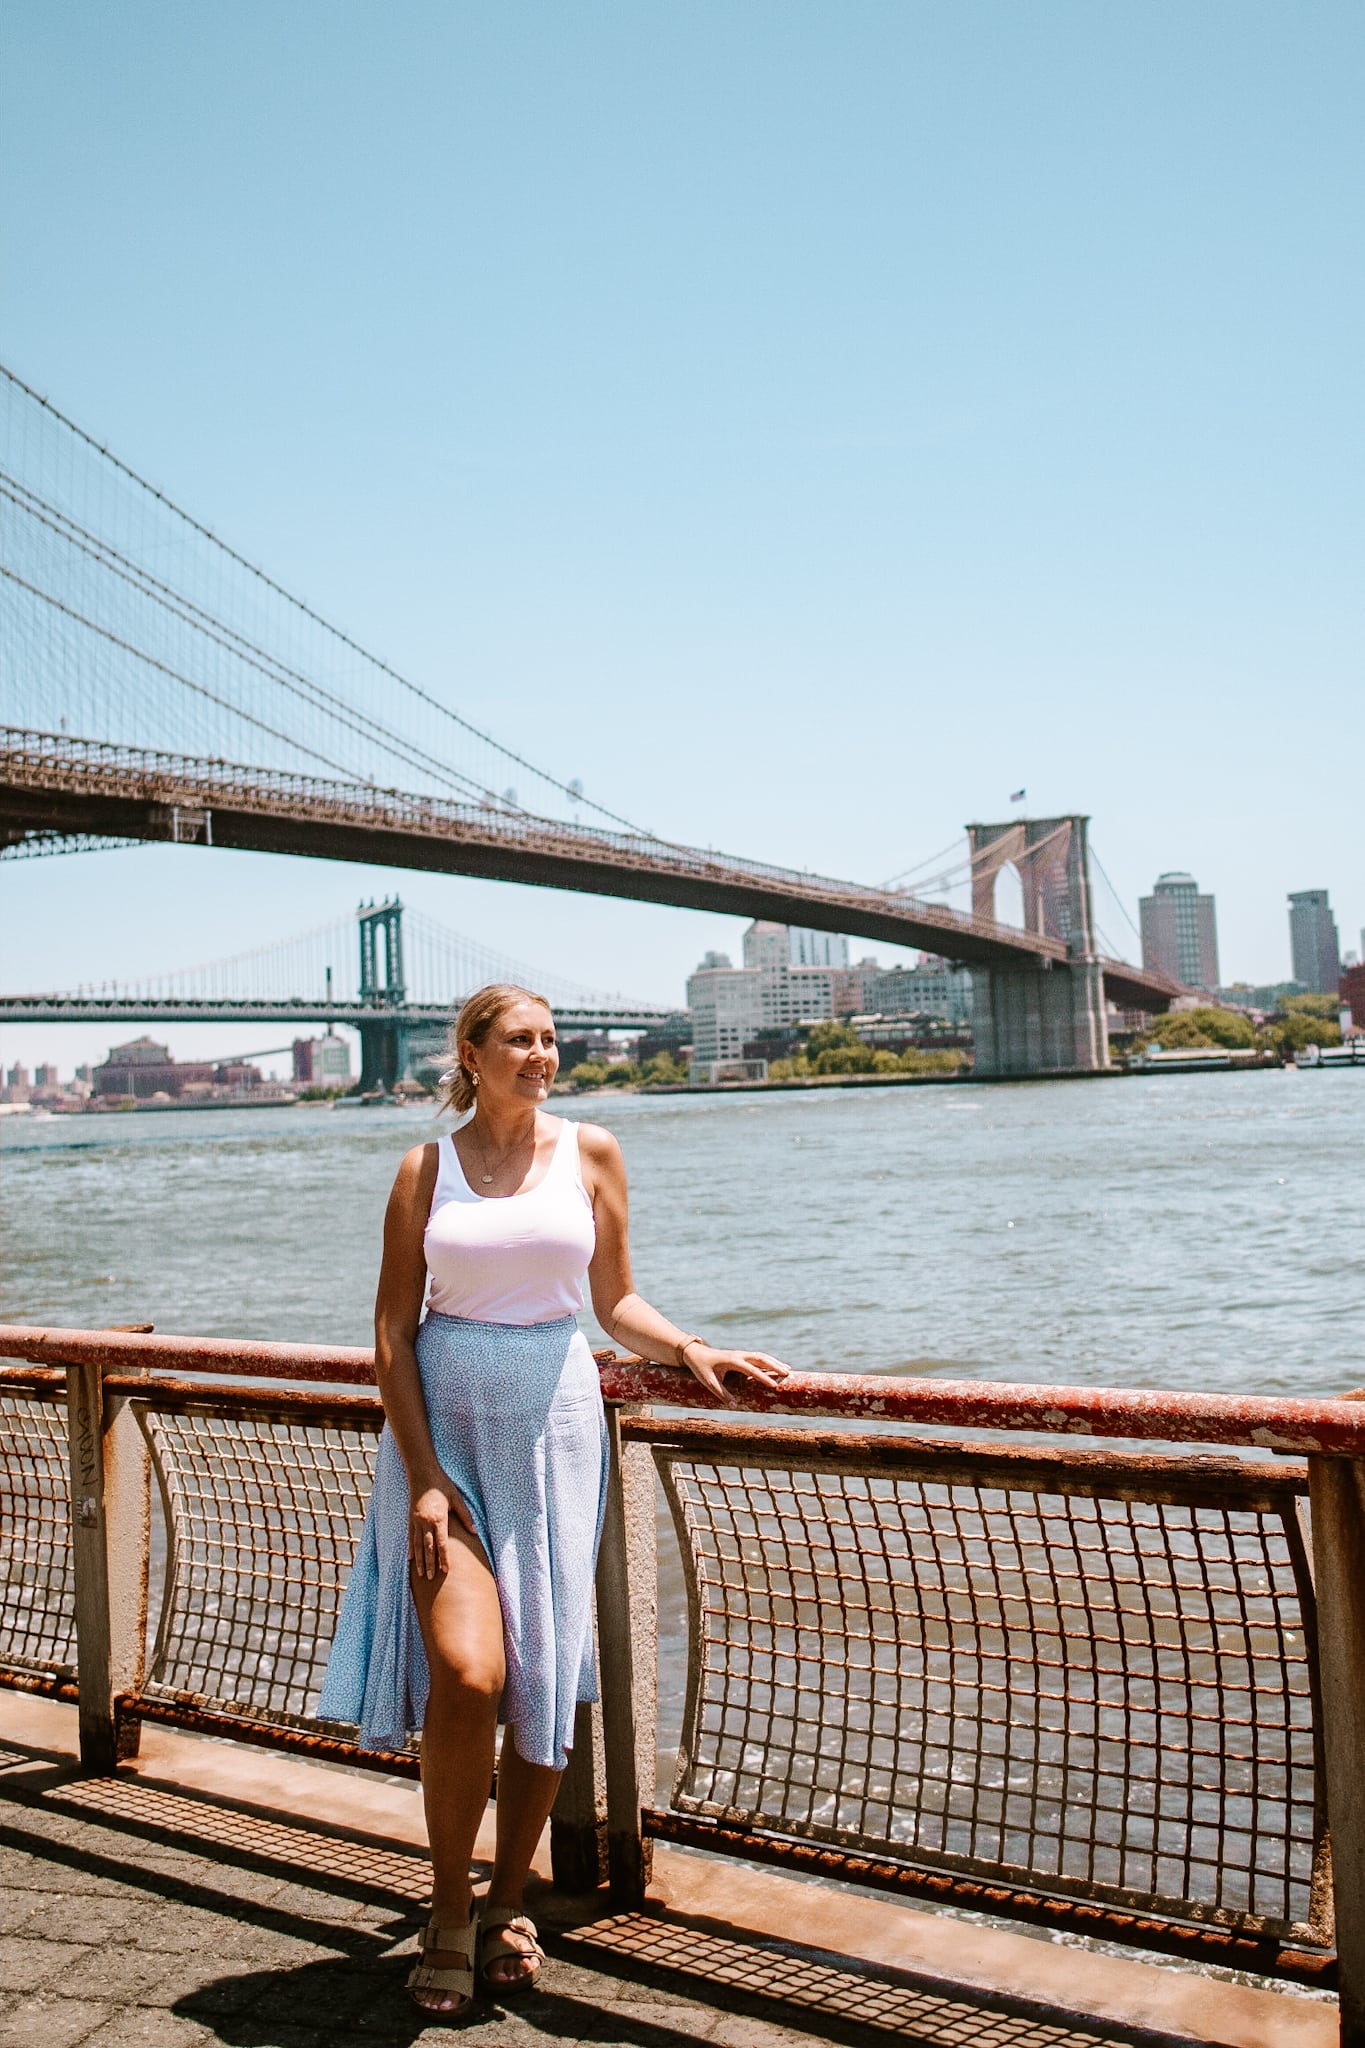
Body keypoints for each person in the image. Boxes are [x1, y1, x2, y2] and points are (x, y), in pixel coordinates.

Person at [318, 982, 789, 2018]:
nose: (541, 1053)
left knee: (536, 1667)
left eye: (548, 1038)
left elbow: (614, 1297)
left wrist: (689, 1346)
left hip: (555, 1424)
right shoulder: (422, 1169)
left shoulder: (594, 1150)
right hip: (444, 1431)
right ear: (472, 1053)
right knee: (467, 1667)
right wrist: (426, 1475)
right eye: (518, 1040)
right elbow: (393, 1333)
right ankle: (447, 1905)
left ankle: (507, 1899)